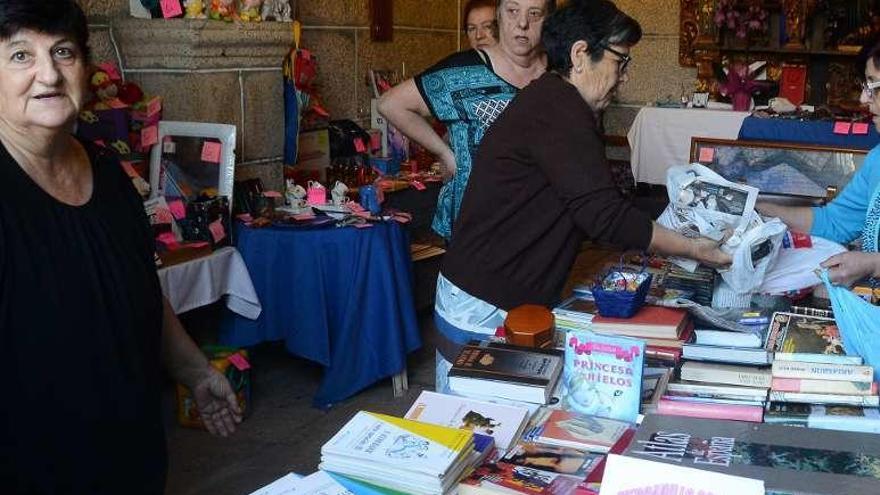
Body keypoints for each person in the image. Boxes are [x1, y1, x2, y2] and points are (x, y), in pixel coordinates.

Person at [0, 2, 241, 493]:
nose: (48, 73)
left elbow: (137, 290)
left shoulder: (106, 172)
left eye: (62, 52)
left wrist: (195, 370)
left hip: (132, 460)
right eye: (20, 55)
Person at [433, 0, 731, 392]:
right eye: (620, 61)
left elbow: (597, 197)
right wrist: (693, 248)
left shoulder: (555, 101)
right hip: (483, 300)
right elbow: (603, 215)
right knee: (477, 419)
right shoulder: (559, 109)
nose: (623, 76)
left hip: (490, 291)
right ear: (579, 54)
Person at [378, 0, 553, 240]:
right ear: (501, 15)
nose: (522, 23)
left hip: (541, 225)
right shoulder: (461, 69)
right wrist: (445, 153)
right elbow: (390, 104)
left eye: (534, 13)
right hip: (476, 228)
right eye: (513, 11)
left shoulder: (562, 72)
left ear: (548, 18)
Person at [757, 34, 880, 287]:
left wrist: (874, 263)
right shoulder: (877, 160)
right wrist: (762, 210)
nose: (863, 100)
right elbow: (835, 221)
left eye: (873, 87)